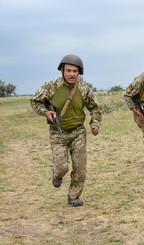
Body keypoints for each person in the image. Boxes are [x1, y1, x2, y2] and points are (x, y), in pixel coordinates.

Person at [30, 54, 102, 207]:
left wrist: (95, 123)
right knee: (62, 167)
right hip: (58, 133)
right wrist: (46, 112)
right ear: (62, 70)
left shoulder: (83, 89)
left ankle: (73, 196)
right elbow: (35, 101)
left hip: (78, 132)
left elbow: (95, 108)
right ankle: (57, 174)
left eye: (75, 71)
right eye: (68, 70)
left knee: (80, 168)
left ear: (79, 73)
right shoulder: (52, 86)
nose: (71, 74)